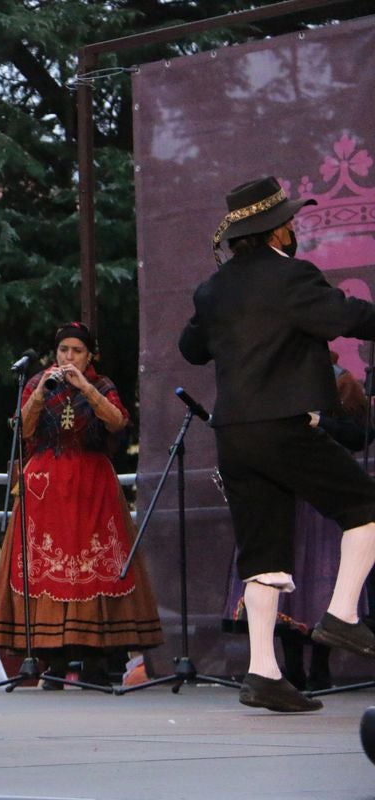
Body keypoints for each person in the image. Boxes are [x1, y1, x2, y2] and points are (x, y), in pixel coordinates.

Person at [180, 175, 375, 712]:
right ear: (275, 229)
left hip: (233, 434)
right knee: (367, 509)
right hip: (282, 425)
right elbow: (346, 316)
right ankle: (342, 615)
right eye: (289, 221)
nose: (294, 227)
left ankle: (263, 673)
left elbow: (192, 348)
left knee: (264, 553)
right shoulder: (292, 277)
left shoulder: (212, 288)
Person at [0, 321, 163, 687]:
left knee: (91, 564)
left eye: (77, 351)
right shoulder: (37, 382)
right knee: (45, 567)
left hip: (91, 482)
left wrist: (85, 388)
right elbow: (22, 430)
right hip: (45, 486)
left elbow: (117, 422)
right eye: (63, 350)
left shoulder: (102, 385)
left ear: (90, 355)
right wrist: (38, 393)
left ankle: (95, 658)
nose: (69, 357)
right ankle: (51, 659)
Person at [221, 351, 371, 691]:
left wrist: (320, 423)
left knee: (321, 578)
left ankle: (320, 667)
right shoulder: (268, 377)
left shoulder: (339, 379)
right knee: (282, 572)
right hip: (282, 491)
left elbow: (360, 433)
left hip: (323, 495)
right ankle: (287, 669)